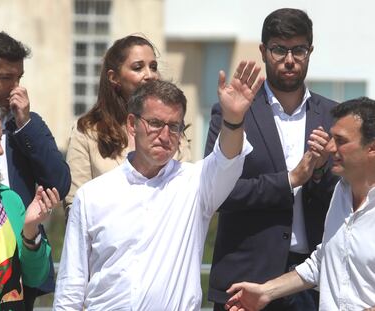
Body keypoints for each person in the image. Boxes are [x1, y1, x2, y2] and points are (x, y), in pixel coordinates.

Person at [53, 61, 264, 310]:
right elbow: (72, 286)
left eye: (174, 127)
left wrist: (234, 119)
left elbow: (228, 159)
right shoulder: (92, 195)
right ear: (132, 124)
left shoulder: (196, 184)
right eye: (154, 123)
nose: (165, 136)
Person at [204, 8, 339, 311]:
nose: (290, 60)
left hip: (314, 283)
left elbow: (350, 198)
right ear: (264, 51)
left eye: (299, 50)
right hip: (245, 283)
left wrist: (318, 173)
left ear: (310, 51)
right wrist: (289, 180)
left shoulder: (333, 117)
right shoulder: (234, 113)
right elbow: (218, 193)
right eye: (279, 49)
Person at [225, 97, 375, 311]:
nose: (330, 148)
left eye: (341, 141)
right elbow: (324, 261)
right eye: (331, 138)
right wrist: (265, 292)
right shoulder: (340, 194)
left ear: (372, 148)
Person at [0, 28, 71, 310]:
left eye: (19, 78)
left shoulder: (26, 126)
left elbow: (60, 182)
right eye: (5, 78)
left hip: (16, 276)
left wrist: (25, 125)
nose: (16, 88)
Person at [64, 35, 191, 218]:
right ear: (114, 78)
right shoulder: (88, 132)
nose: (149, 75)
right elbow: (74, 206)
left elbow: (185, 192)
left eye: (153, 67)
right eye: (138, 68)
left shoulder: (173, 131)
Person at [0, 93, 60, 310]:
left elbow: (35, 277)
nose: (0, 150)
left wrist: (31, 230)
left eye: (0, 140)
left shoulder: (9, 200)